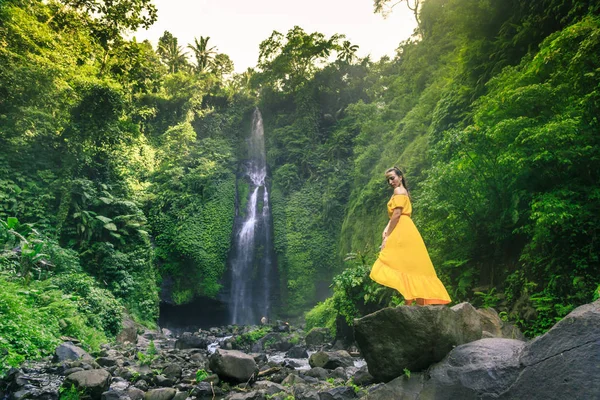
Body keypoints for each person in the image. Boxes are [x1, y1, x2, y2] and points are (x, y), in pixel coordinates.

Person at [370, 167, 451, 305]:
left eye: (392, 178)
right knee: (411, 264)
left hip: (402, 229)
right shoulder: (402, 191)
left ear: (400, 177)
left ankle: (410, 301)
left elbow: (396, 215)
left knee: (395, 259)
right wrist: (386, 229)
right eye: (388, 179)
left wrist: (387, 235)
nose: (390, 182)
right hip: (406, 227)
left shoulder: (399, 191)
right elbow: (394, 215)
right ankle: (413, 302)